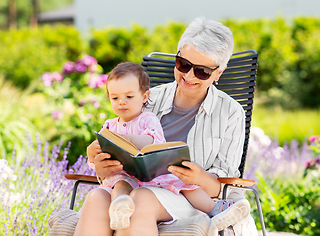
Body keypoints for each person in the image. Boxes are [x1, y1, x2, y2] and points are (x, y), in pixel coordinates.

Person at [74, 17, 251, 236]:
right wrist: (102, 165)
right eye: (183, 64)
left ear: (218, 73)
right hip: (136, 186)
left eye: (202, 71)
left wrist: (199, 178)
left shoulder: (230, 113)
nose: (188, 76)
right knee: (97, 198)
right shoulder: (146, 98)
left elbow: (227, 187)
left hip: (192, 198)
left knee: (141, 199)